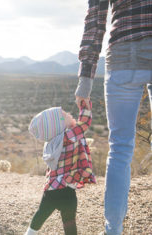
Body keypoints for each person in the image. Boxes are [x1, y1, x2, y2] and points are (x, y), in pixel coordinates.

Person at [75, 1, 152, 234]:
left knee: (119, 149)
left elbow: (95, 20)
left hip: (121, 56)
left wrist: (85, 80)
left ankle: (113, 230)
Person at [24, 100, 96, 235]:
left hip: (51, 189)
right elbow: (85, 123)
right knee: (69, 221)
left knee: (41, 214)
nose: (69, 114)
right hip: (67, 190)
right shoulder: (68, 136)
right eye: (65, 114)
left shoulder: (51, 142)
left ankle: (29, 233)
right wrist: (84, 105)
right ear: (59, 124)